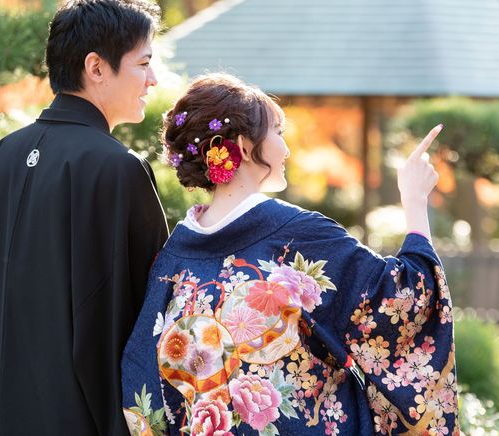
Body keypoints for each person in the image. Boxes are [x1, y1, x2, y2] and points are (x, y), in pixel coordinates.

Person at [121, 73, 458, 435]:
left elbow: (142, 385)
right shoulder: (299, 236)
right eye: (278, 132)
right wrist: (414, 201)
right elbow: (403, 302)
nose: (286, 149)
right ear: (244, 147)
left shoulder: (174, 258)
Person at [0, 0, 169, 436]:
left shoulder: (3, 155)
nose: (152, 79)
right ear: (96, 67)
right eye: (143, 63)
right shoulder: (119, 170)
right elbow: (154, 320)